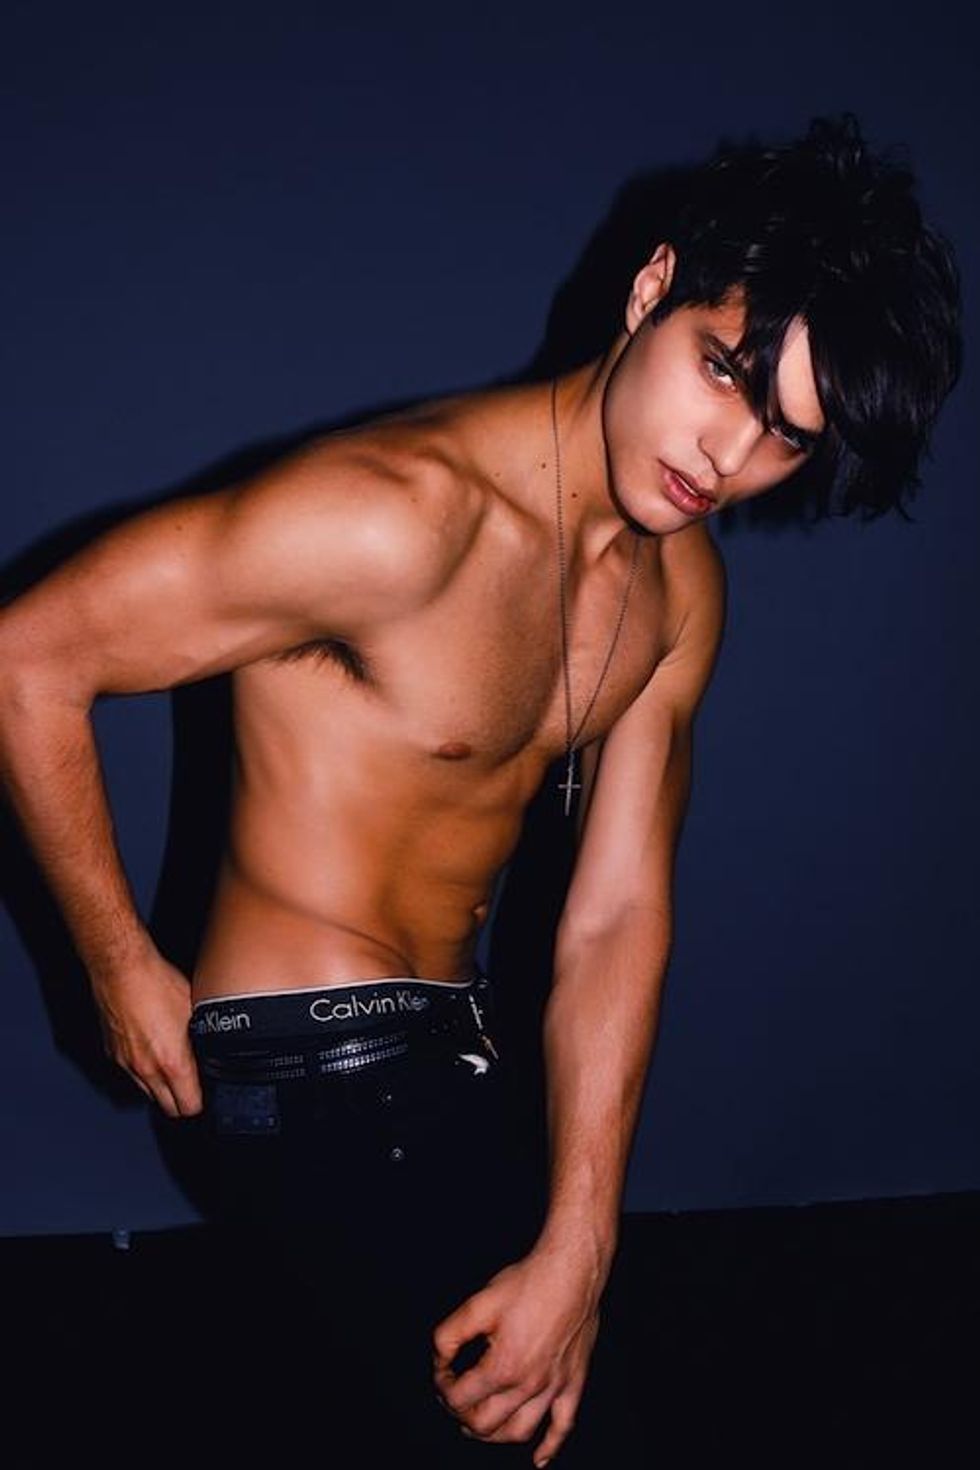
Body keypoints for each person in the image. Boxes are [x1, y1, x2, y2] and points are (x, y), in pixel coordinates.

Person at [0, 112, 961, 1466]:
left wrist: (586, 1238)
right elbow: (27, 655)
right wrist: (116, 960)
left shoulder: (682, 595)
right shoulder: (393, 517)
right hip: (304, 1069)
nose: (728, 456)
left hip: (449, 1061)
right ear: (652, 289)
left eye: (785, 438)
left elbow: (616, 916)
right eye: (723, 370)